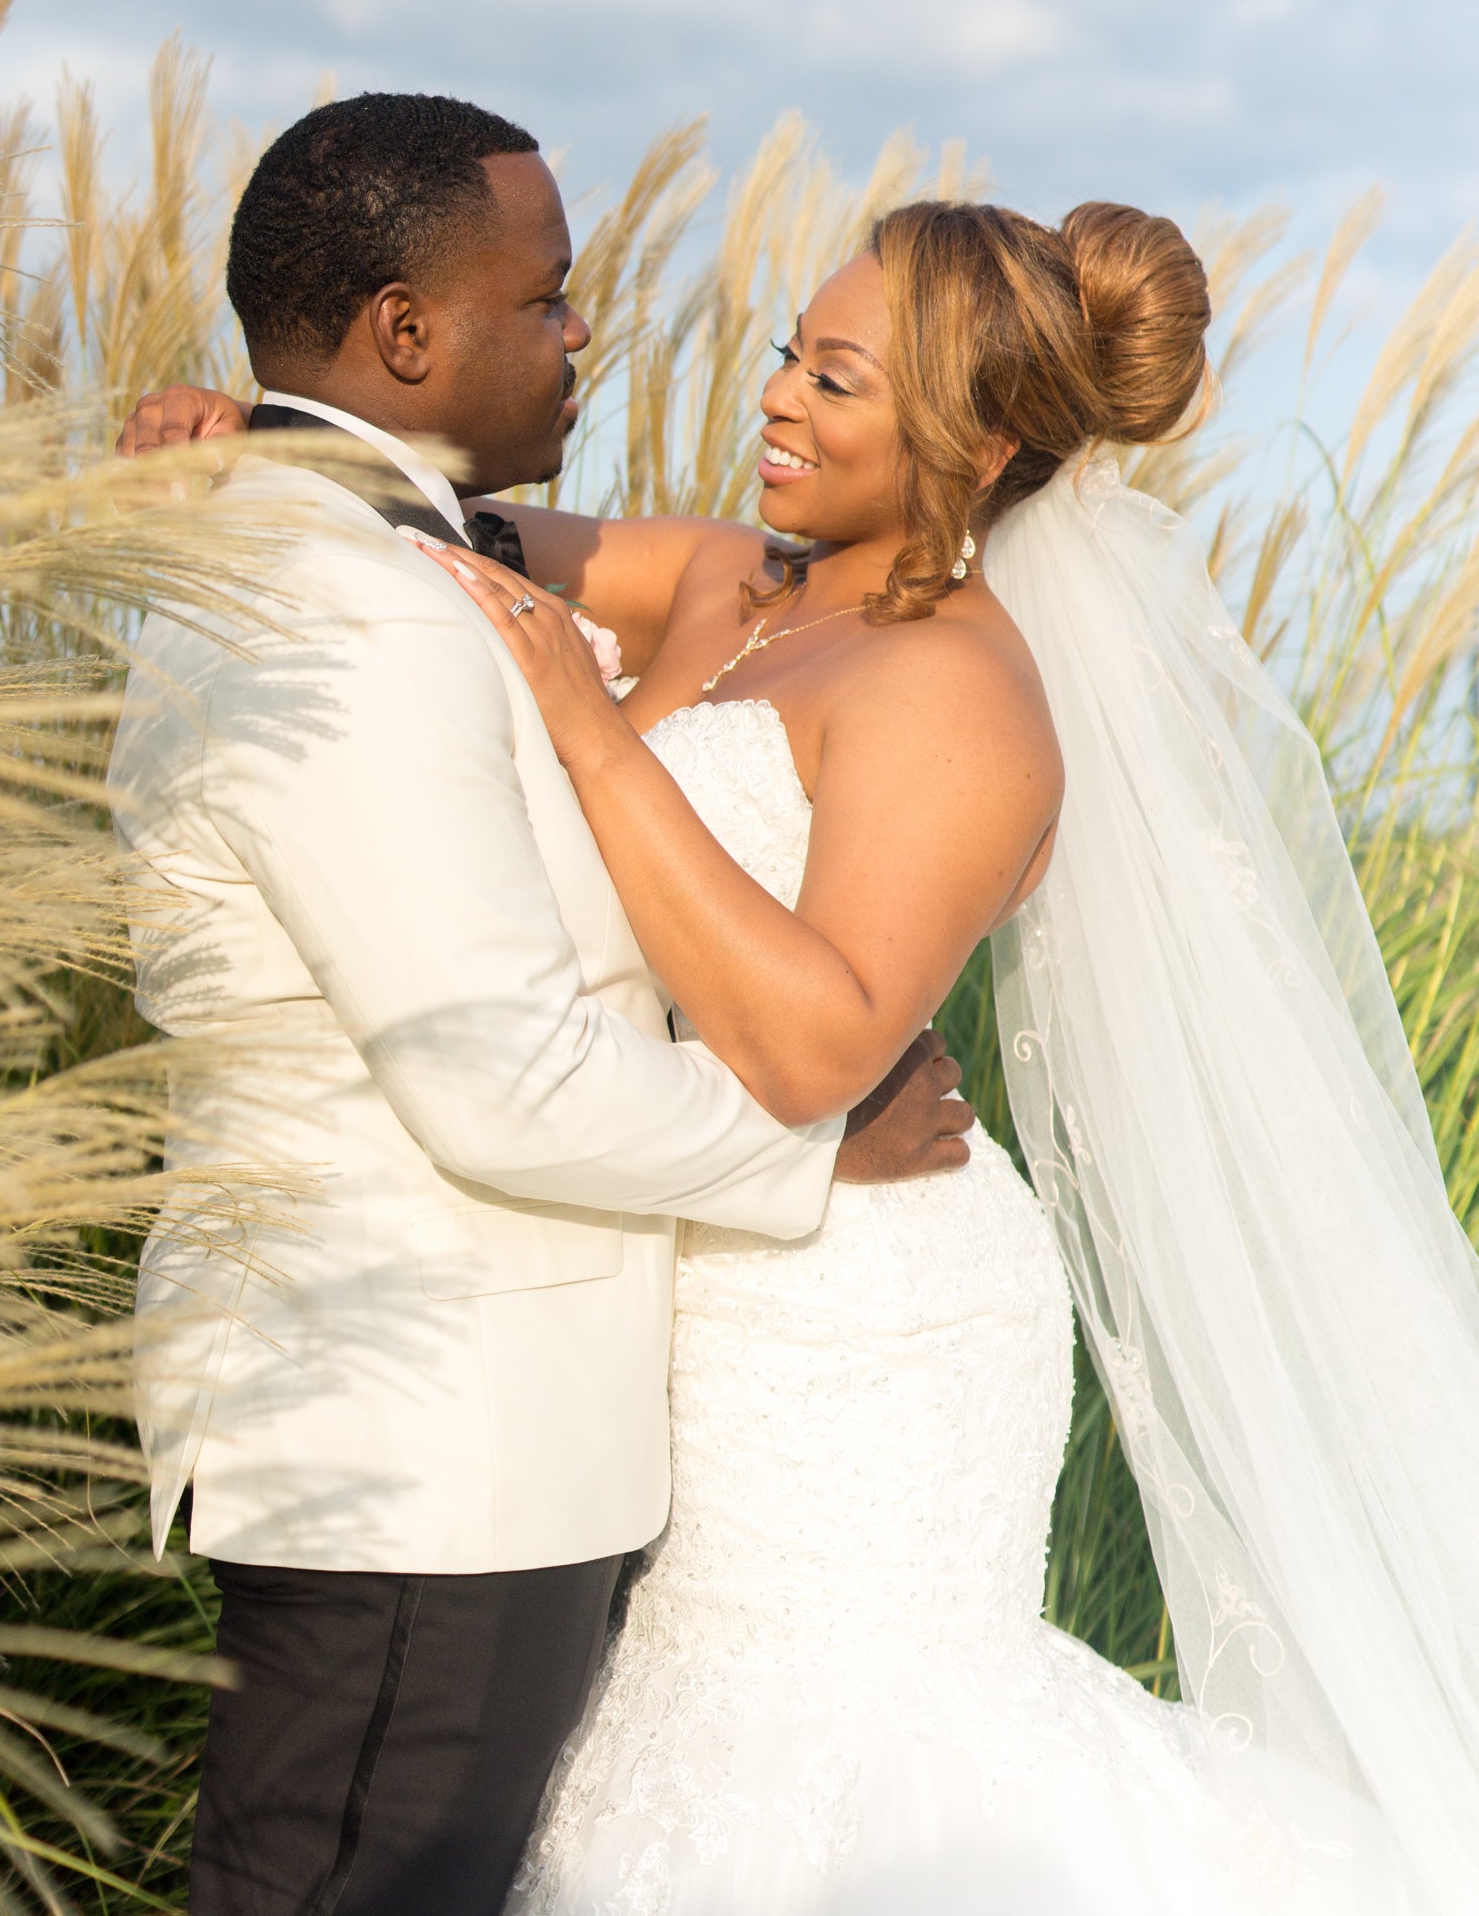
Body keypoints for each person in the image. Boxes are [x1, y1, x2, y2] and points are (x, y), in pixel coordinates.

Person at [138, 192, 1479, 1913]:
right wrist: (257, 440)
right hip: (679, 1239)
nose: (778, 399)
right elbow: (441, 533)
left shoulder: (960, 690)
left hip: (859, 1287)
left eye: (835, 381)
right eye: (787, 354)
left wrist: (591, 739)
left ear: (978, 437)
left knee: (814, 1764)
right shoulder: (729, 579)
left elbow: (819, 1038)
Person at [107, 93, 965, 1916]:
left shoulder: (401, 550)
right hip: (425, 1450)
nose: (588, 333)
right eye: (550, 297)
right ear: (406, 335)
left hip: (464, 1441)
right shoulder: (341, 599)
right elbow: (498, 1072)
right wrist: (817, 1135)